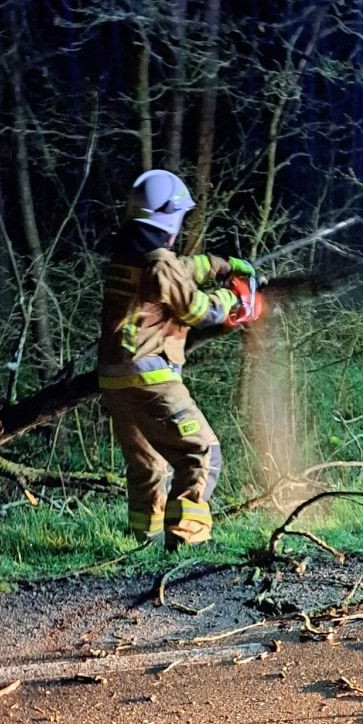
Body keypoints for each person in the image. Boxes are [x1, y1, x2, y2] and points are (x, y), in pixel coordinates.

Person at [96, 170, 256, 550]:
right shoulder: (159, 264)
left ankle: (143, 544)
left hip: (116, 381)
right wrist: (234, 302)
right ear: (169, 216)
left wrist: (220, 265)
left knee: (148, 465)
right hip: (152, 380)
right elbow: (199, 310)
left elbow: (179, 269)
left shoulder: (127, 255)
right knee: (200, 453)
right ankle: (187, 544)